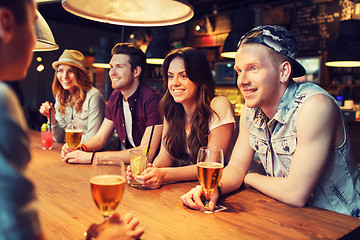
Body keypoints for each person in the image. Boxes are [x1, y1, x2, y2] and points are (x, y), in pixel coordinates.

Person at [181, 25, 360, 217]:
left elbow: (296, 193)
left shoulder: (314, 106)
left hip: (344, 221)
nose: (242, 80)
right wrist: (214, 188)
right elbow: (235, 169)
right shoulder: (252, 112)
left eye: (253, 68)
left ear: (284, 72)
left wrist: (249, 178)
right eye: (239, 71)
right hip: (295, 219)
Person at [0, 0, 143, 239]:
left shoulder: (97, 97)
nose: (35, 42)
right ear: (5, 22)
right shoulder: (4, 101)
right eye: (34, 24)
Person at [128, 47, 235, 189]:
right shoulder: (170, 108)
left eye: (183, 76)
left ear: (199, 78)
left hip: (221, 188)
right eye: (171, 76)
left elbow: (210, 165)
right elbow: (166, 156)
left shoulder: (218, 105)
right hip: (184, 188)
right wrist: (148, 172)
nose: (175, 83)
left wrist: (163, 175)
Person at [62, 43, 163, 164]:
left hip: (157, 171)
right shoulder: (115, 97)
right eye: (111, 67)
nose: (112, 72)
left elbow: (146, 153)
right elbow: (101, 138)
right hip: (132, 169)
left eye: (119, 67)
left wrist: (92, 158)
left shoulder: (153, 99)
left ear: (136, 71)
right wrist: (81, 148)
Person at [39, 49, 106, 143]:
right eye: (60, 71)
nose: (65, 76)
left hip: (94, 154)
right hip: (71, 151)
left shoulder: (94, 97)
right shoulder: (60, 97)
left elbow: (93, 138)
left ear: (80, 74)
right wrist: (51, 117)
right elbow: (58, 138)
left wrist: (67, 141)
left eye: (70, 71)